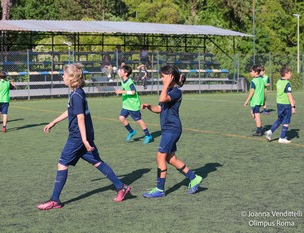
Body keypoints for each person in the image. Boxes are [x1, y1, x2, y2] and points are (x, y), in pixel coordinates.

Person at [38, 63, 130, 210]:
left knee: (62, 163)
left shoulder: (76, 95)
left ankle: (55, 200)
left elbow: (80, 118)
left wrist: (84, 140)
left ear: (70, 78)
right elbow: (71, 112)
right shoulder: (77, 92)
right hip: (82, 136)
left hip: (77, 137)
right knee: (97, 162)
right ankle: (121, 186)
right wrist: (53, 122)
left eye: (64, 74)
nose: (62, 76)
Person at [141, 65, 202, 198]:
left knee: (160, 157)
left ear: (170, 77)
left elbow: (162, 99)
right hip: (169, 129)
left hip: (172, 129)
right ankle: (194, 177)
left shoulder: (175, 91)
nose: (161, 79)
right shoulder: (168, 90)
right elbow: (159, 108)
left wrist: (166, 84)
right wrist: (149, 106)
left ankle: (159, 189)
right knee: (170, 158)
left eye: (163, 76)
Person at [114, 65, 153, 144]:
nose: (119, 72)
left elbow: (133, 92)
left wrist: (122, 91)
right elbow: (119, 72)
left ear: (126, 73)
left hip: (133, 105)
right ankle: (131, 131)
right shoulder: (122, 79)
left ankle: (148, 135)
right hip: (126, 105)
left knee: (139, 121)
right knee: (121, 118)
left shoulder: (130, 82)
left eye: (121, 71)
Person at [264, 67, 296, 144]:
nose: (291, 74)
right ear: (286, 74)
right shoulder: (287, 83)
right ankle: (282, 138)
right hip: (286, 104)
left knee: (280, 119)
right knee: (286, 120)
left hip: (279, 103)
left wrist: (292, 99)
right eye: (290, 73)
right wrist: (293, 106)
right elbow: (289, 95)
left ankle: (270, 131)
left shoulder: (278, 81)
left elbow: (282, 93)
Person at [244, 65, 265, 136]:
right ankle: (259, 127)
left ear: (256, 72)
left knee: (257, 115)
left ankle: (259, 130)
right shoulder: (261, 80)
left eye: (252, 71)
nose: (250, 73)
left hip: (255, 100)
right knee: (253, 113)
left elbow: (251, 92)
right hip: (260, 100)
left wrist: (247, 101)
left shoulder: (253, 81)